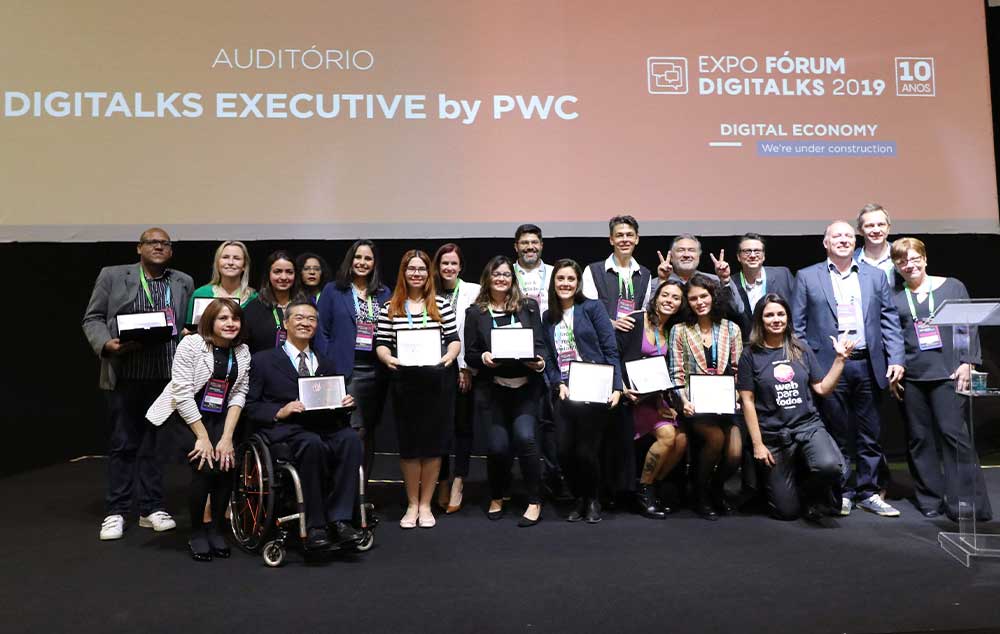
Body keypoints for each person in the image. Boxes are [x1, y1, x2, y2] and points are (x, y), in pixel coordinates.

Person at [82, 227, 194, 540]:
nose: (158, 247)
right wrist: (107, 345)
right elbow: (92, 318)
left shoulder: (183, 281)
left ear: (171, 251)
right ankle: (116, 511)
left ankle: (151, 508)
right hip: (126, 374)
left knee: (156, 446)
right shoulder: (113, 276)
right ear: (138, 248)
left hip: (165, 377)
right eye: (152, 242)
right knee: (123, 444)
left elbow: (185, 324)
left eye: (165, 243)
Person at [792, 221, 905, 517]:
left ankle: (868, 492)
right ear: (825, 243)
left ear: (854, 242)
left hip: (869, 364)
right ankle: (841, 492)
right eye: (836, 236)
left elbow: (889, 320)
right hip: (829, 369)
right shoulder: (807, 276)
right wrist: (810, 370)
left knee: (871, 435)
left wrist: (896, 359)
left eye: (847, 236)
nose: (843, 240)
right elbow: (798, 329)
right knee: (837, 434)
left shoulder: (875, 276)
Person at [243, 299, 363, 550]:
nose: (305, 323)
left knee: (351, 439)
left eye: (311, 319)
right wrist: (280, 411)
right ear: (285, 323)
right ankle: (315, 524)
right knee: (312, 444)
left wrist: (345, 403)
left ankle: (340, 519)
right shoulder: (264, 360)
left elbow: (334, 408)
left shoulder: (325, 362)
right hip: (288, 431)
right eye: (299, 317)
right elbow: (251, 406)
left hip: (324, 425)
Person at [890, 238, 992, 521]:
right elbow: (893, 338)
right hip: (912, 378)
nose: (908, 265)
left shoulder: (952, 286)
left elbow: (967, 326)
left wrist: (968, 362)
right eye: (901, 261)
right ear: (896, 266)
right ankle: (930, 500)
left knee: (954, 436)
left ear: (924, 258)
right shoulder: (895, 298)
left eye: (913, 258)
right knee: (920, 440)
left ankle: (968, 502)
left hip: (948, 374)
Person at [145, 299, 251, 560]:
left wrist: (227, 437)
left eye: (234, 319)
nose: (230, 324)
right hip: (186, 416)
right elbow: (181, 394)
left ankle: (215, 529)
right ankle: (196, 533)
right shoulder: (191, 344)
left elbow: (239, 394)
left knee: (225, 467)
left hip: (220, 417)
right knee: (204, 469)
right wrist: (202, 437)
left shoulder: (243, 351)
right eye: (222, 318)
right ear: (210, 321)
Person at [738, 294, 852, 521]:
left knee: (830, 466)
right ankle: (777, 486)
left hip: (807, 427)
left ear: (788, 317)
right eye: (769, 315)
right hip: (773, 435)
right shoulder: (750, 354)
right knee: (786, 512)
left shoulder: (801, 348)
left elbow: (821, 388)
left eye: (780, 314)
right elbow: (747, 401)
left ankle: (814, 496)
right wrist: (758, 444)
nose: (776, 319)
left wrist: (840, 360)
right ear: (760, 320)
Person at [375, 250, 461, 529]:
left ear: (429, 273)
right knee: (410, 447)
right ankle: (412, 503)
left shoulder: (441, 304)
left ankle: (427, 504)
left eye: (421, 269)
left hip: (437, 383)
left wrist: (449, 358)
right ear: (403, 272)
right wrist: (387, 358)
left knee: (434, 446)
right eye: (411, 268)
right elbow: (382, 342)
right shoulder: (391, 306)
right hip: (405, 384)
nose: (416, 273)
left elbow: (454, 340)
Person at [464, 256, 547, 526]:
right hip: (494, 390)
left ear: (513, 279)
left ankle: (534, 500)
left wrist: (540, 362)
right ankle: (497, 496)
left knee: (525, 439)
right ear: (487, 278)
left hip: (525, 389)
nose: (501, 279)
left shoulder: (528, 308)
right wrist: (484, 357)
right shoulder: (475, 312)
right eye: (496, 274)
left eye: (506, 275)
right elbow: (471, 354)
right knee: (498, 447)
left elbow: (540, 345)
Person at [542, 259, 623, 523]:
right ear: (553, 283)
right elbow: (550, 359)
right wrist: (557, 382)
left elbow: (610, 350)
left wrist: (616, 386)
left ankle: (592, 499)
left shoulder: (592, 308)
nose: (565, 284)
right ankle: (578, 496)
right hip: (565, 391)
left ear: (578, 283)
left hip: (595, 388)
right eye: (560, 279)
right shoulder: (548, 316)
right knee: (564, 451)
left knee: (587, 452)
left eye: (570, 279)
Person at [315, 240, 391, 486]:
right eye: (358, 257)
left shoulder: (384, 293)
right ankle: (344, 491)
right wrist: (329, 365)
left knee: (368, 431)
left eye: (368, 258)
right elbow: (321, 331)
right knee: (353, 432)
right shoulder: (333, 291)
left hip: (377, 371)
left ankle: (362, 492)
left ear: (375, 264)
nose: (362, 262)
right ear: (350, 260)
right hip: (345, 371)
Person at [670, 274, 743, 520]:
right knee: (715, 438)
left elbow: (737, 370)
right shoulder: (679, 330)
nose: (699, 302)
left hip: (724, 404)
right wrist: (683, 401)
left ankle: (715, 487)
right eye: (693, 298)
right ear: (687, 303)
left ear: (713, 296)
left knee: (734, 453)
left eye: (704, 296)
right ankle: (701, 495)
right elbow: (676, 372)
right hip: (695, 405)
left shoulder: (731, 329)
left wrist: (735, 394)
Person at [620, 280, 688, 519]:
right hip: (631, 397)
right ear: (655, 297)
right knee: (668, 435)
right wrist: (621, 387)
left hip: (655, 396)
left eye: (676, 298)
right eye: (665, 295)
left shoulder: (673, 329)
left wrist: (664, 402)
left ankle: (650, 484)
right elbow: (613, 353)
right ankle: (644, 491)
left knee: (680, 441)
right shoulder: (636, 320)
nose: (669, 300)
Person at [511, 224, 570, 501]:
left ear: (542, 245)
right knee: (523, 421)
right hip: (514, 352)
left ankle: (554, 475)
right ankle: (524, 479)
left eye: (534, 242)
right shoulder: (506, 273)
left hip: (551, 346)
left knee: (551, 419)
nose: (530, 247)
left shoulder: (553, 274)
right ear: (516, 247)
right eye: (524, 243)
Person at [432, 243, 481, 513]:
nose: (449, 268)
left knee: (462, 428)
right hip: (434, 372)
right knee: (440, 429)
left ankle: (458, 481)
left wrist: (466, 369)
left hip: (463, 370)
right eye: (444, 263)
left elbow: (473, 334)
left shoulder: (473, 292)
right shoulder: (429, 292)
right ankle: (441, 480)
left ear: (461, 266)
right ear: (437, 267)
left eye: (454, 263)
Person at [581, 214, 653, 332]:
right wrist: (612, 324)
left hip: (632, 343)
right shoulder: (593, 271)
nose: (625, 240)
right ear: (611, 240)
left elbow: (645, 311)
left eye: (629, 235)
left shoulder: (645, 274)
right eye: (619, 235)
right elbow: (587, 311)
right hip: (603, 342)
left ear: (637, 239)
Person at [726, 233, 796, 341]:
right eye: (747, 251)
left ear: (763, 256)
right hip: (746, 346)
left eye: (757, 251)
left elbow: (797, 309)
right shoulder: (731, 282)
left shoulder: (783, 275)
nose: (753, 255)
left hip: (781, 343)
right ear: (739, 257)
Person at [242, 250, 302, 354]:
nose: (283, 277)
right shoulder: (254, 308)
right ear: (268, 274)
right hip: (264, 368)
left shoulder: (304, 306)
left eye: (289, 272)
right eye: (277, 271)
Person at [185, 241, 257, 326]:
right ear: (217, 263)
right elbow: (188, 330)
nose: (230, 262)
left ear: (244, 265)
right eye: (225, 257)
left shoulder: (254, 298)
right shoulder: (201, 294)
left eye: (236, 258)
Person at [854, 203, 895, 281]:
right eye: (870, 226)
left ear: (888, 228)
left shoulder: (903, 255)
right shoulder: (851, 261)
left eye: (881, 225)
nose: (876, 230)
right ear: (860, 230)